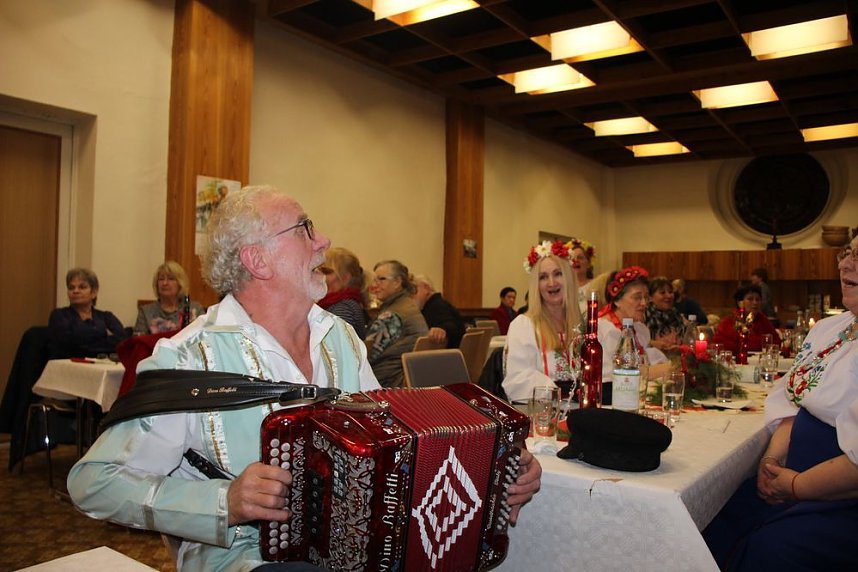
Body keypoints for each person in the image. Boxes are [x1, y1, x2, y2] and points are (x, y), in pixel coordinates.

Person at [67, 185, 543, 571]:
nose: (323, 241)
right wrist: (224, 501)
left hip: (349, 550)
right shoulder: (190, 357)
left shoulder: (338, 336)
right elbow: (94, 483)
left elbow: (391, 442)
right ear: (257, 259)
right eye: (305, 229)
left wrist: (497, 472)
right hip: (242, 558)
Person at [704, 238, 858, 570]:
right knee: (715, 519)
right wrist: (772, 460)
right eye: (847, 254)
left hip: (841, 498)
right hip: (791, 473)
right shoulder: (832, 328)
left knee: (770, 551)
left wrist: (796, 485)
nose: (845, 264)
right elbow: (794, 401)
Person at [502, 240, 583, 403]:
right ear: (536, 285)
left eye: (558, 274)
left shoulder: (580, 325)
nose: (551, 283)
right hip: (541, 418)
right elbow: (517, 381)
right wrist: (560, 391)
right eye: (543, 277)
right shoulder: (524, 326)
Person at [597, 266, 671, 404]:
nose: (644, 303)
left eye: (646, 297)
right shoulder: (602, 330)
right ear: (617, 301)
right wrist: (658, 371)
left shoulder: (640, 329)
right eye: (637, 297)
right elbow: (610, 380)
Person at [366, 260, 428, 387]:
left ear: (397, 282)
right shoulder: (407, 305)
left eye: (381, 279)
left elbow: (366, 356)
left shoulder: (392, 315)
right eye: (374, 280)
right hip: (407, 379)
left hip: (387, 382)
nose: (374, 285)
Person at [48, 267, 128, 359]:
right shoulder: (59, 315)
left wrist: (85, 334)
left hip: (101, 366)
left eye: (82, 287)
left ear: (94, 292)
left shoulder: (106, 317)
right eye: (71, 288)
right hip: (69, 367)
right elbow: (73, 346)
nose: (75, 291)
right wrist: (104, 333)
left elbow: (123, 342)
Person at [134, 261, 205, 334]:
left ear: (180, 283)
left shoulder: (195, 309)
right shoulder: (146, 311)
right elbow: (138, 342)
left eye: (170, 279)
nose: (165, 283)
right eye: (161, 279)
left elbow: (205, 338)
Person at [712, 284, 780, 354]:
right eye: (750, 299)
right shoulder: (729, 322)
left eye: (758, 299)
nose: (755, 303)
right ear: (740, 303)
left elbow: (776, 342)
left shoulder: (763, 320)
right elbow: (720, 345)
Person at [317, 246, 368, 338]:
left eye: (326, 272)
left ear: (345, 278)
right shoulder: (334, 305)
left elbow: (330, 348)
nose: (319, 275)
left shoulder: (345, 308)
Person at [412, 274, 466, 348]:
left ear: (426, 288)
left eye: (414, 290)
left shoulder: (435, 306)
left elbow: (450, 325)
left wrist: (442, 329)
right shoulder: (440, 303)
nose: (411, 296)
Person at [645, 276, 687, 353]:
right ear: (650, 297)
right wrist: (652, 343)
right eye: (662, 293)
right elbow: (639, 342)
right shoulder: (645, 315)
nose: (668, 296)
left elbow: (684, 338)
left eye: (670, 292)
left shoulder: (676, 314)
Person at [567, 237, 607, 314]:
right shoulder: (563, 286)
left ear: (589, 263)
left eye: (580, 258)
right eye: (572, 258)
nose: (576, 261)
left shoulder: (596, 286)